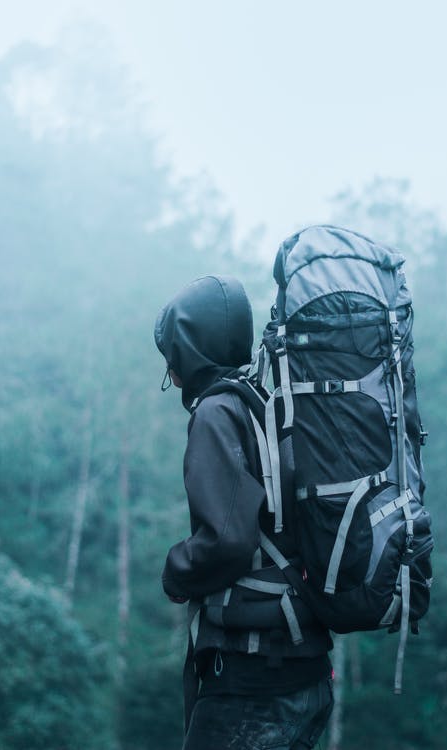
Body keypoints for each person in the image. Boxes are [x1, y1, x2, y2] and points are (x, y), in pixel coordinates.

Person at [154, 274, 334, 750]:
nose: (171, 374)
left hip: (251, 682)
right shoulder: (268, 405)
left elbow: (227, 541)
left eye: (172, 356)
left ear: (190, 351)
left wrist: (176, 573)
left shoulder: (216, 414)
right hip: (305, 674)